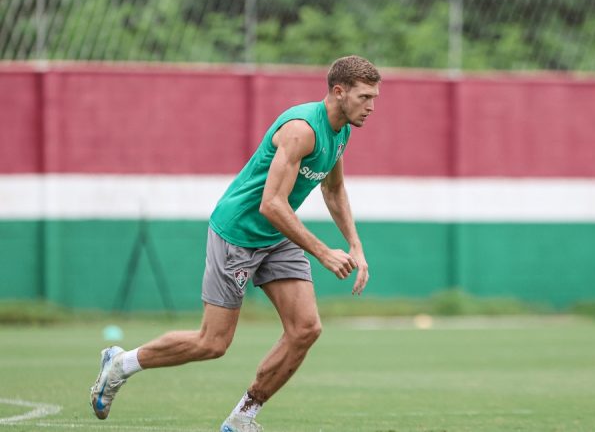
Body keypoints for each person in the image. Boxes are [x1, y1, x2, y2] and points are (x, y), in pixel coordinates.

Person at [89, 55, 381, 432]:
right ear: (339, 92)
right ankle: (120, 365)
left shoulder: (342, 131)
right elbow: (272, 203)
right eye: (365, 97)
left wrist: (355, 246)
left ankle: (242, 417)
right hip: (239, 235)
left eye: (374, 98)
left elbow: (334, 187)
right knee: (213, 343)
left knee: (306, 328)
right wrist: (324, 252)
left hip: (278, 235)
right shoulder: (302, 130)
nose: (371, 107)